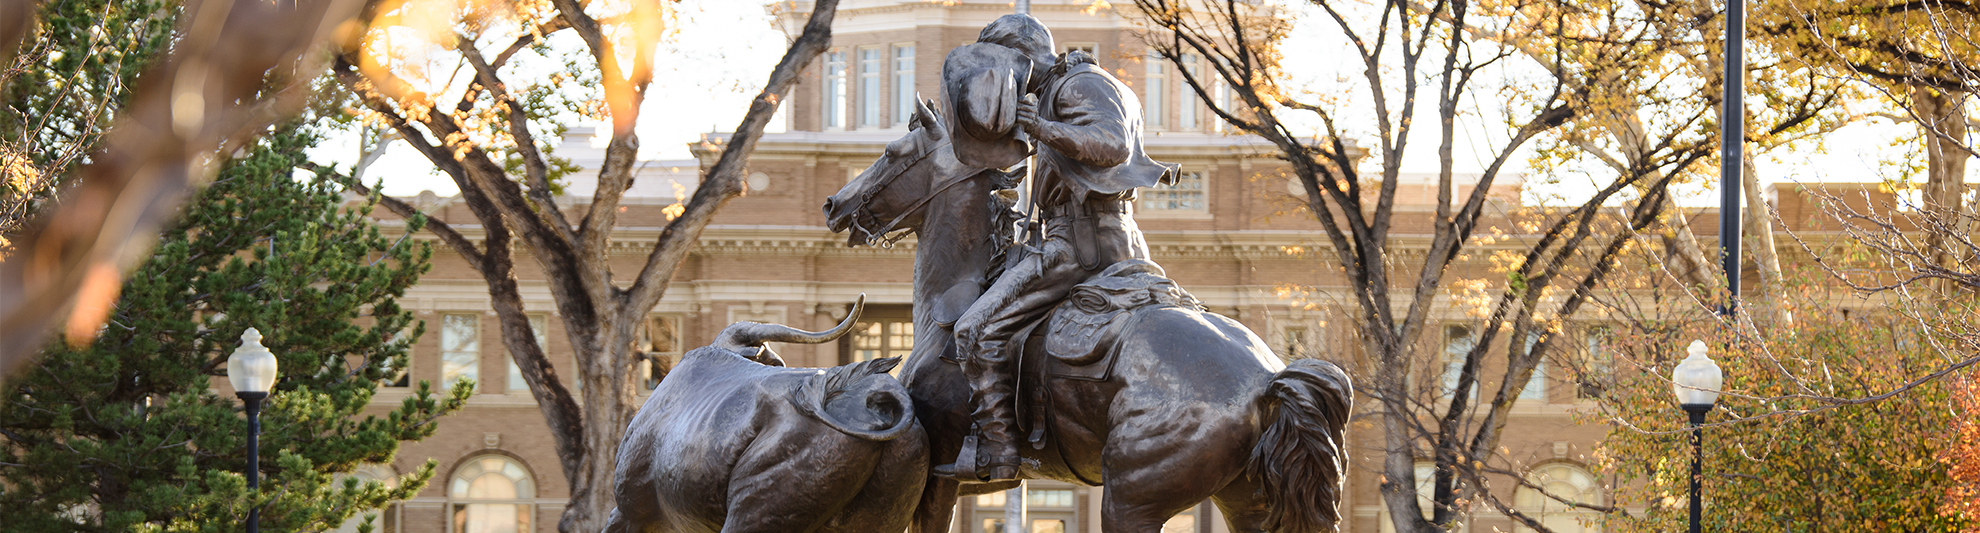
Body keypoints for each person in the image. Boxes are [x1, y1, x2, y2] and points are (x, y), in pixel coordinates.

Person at [940, 14, 1177, 482]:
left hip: (1080, 246)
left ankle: (1000, 453)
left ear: (1020, 61)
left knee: (974, 329)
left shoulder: (1079, 85)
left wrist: (1043, 128)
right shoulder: (1071, 87)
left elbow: (1111, 146)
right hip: (1101, 236)